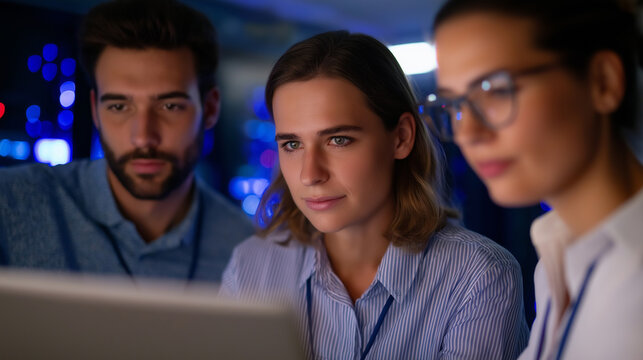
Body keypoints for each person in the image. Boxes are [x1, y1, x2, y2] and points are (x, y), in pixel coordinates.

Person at [221, 30, 529, 359]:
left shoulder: (478, 277)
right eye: (292, 144)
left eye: (338, 140)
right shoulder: (250, 266)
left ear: (401, 138)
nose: (310, 174)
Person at [430, 0, 642, 358]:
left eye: (497, 89)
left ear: (602, 82)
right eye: (456, 105)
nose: (468, 132)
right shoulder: (556, 261)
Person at [0, 0, 253, 282]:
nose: (143, 136)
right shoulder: (11, 207)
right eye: (119, 107)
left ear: (210, 109)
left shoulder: (249, 249)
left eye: (170, 106)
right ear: (95, 110)